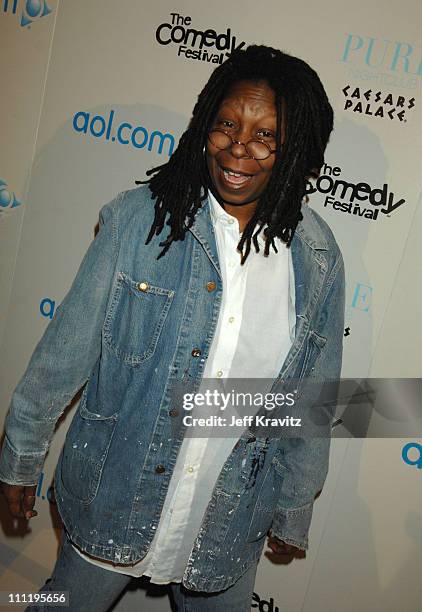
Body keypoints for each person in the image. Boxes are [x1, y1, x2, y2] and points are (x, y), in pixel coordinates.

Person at [0, 45, 345, 611]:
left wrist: (293, 505)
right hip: (114, 493)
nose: (238, 146)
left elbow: (307, 400)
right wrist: (22, 453)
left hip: (227, 521)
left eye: (266, 136)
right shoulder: (139, 221)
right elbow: (62, 356)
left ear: (299, 152)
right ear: (202, 126)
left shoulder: (316, 257)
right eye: (227, 124)